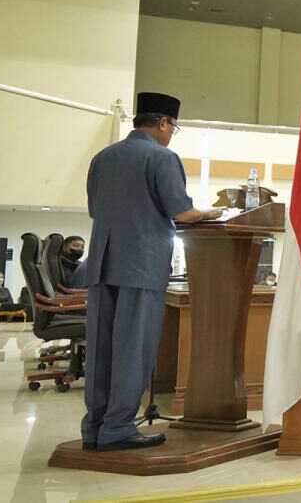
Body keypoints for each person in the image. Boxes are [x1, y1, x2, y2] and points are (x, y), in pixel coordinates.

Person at [82, 92, 222, 452]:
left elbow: (95, 209)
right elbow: (182, 212)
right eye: (173, 127)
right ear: (162, 123)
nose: (172, 133)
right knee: (133, 349)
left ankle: (94, 427)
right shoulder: (162, 157)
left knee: (100, 350)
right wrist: (211, 213)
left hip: (101, 265)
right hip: (140, 266)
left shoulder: (102, 158)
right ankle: (118, 428)